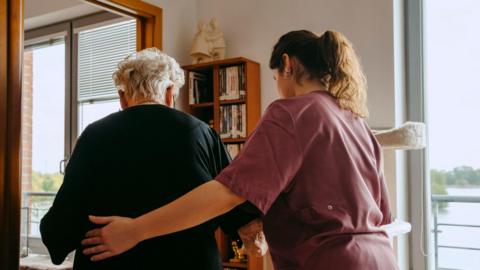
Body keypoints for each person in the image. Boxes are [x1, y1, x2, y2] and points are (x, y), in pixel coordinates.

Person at [82, 30, 399, 270]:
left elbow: (228, 192)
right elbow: (380, 212)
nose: (277, 85)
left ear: (286, 65)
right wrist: (253, 224)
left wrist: (135, 230)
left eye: (274, 77)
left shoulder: (291, 112)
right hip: (381, 258)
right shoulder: (356, 121)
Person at [40, 48, 260, 270]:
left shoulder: (93, 136)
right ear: (169, 92)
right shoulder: (201, 133)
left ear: (123, 97)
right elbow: (239, 211)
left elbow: (59, 229)